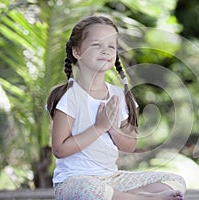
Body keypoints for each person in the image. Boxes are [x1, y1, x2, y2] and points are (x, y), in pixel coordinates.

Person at [46, 15, 186, 200]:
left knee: (175, 180)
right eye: (96, 45)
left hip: (111, 179)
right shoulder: (71, 96)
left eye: (111, 46)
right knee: (91, 190)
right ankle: (144, 198)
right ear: (77, 52)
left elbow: (130, 145)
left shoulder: (118, 95)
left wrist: (112, 128)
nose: (105, 51)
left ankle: (123, 196)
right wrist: (99, 127)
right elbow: (59, 150)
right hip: (75, 182)